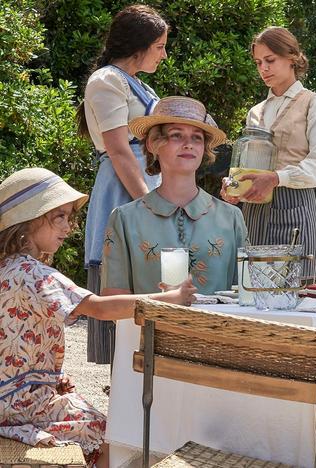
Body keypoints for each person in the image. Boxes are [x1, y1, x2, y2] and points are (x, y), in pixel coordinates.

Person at [0, 168, 196, 468]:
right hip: (20, 406)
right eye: (59, 217)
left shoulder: (7, 269)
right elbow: (101, 308)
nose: (69, 227)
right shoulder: (34, 274)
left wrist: (47, 379)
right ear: (29, 220)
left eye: (70, 217)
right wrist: (168, 298)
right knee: (112, 432)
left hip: (10, 396)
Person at [77, 4, 169, 364]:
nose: (163, 54)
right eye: (159, 46)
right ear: (139, 44)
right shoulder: (107, 80)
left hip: (146, 176)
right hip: (124, 184)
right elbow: (117, 149)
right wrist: (147, 203)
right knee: (123, 266)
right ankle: (121, 389)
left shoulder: (138, 83)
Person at [101, 96, 247, 296]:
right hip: (148, 328)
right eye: (177, 135)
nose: (189, 144)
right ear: (153, 143)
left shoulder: (231, 219)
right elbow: (114, 301)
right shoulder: (125, 220)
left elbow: (245, 297)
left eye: (197, 137)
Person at [220, 26, 316, 277]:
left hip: (296, 207)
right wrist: (235, 187)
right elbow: (249, 165)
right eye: (258, 62)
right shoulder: (255, 112)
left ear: (292, 57)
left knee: (297, 294)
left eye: (270, 60)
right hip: (254, 211)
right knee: (252, 291)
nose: (263, 68)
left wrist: (275, 178)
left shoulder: (315, 103)